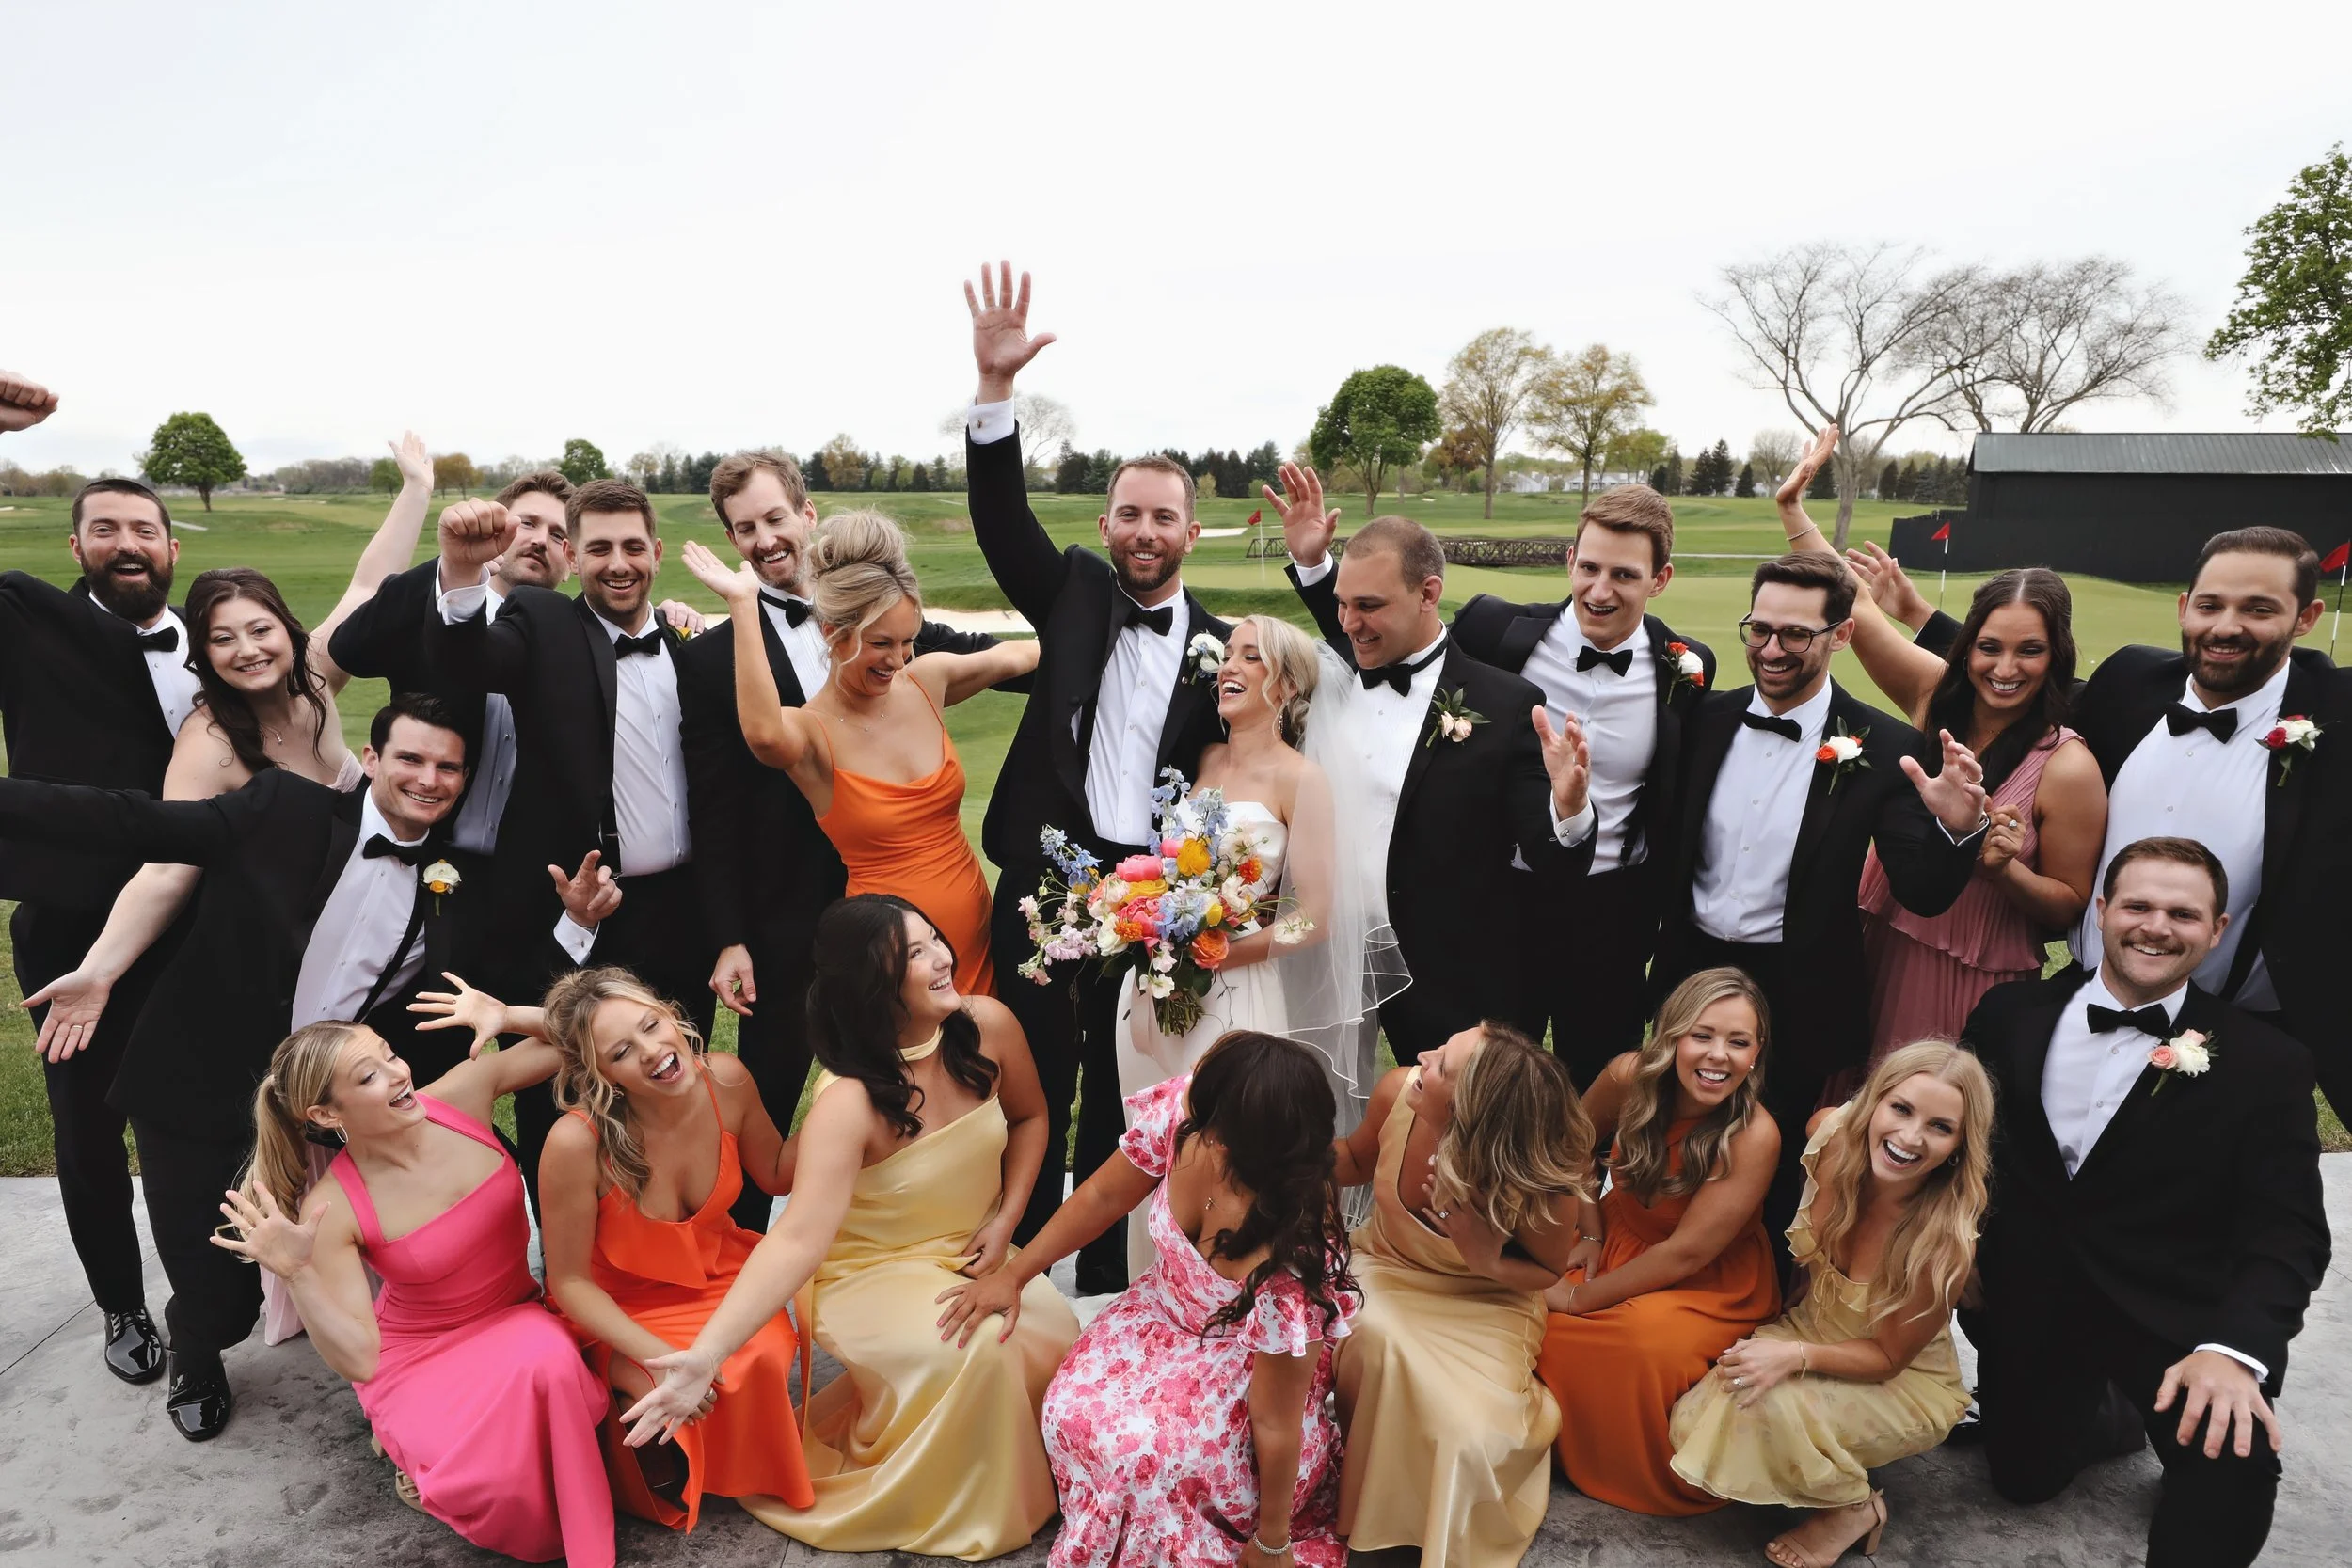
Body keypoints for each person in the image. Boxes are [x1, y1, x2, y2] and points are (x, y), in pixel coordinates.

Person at [0, 694, 547, 1439]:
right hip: (199, 1080)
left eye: (447, 766)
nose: (428, 777)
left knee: (403, 1216)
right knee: (220, 1288)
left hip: (319, 1105)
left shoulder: (453, 876)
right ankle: (196, 1346)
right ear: (373, 761)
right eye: (411, 758)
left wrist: (577, 922)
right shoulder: (283, 809)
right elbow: (137, 820)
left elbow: (474, 984)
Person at [612, 894, 1079, 1558]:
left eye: (934, 939)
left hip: (971, 1247)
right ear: (874, 985)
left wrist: (1006, 1221)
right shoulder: (849, 1101)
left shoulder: (989, 1023)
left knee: (1051, 1327)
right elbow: (797, 1239)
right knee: (980, 1352)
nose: (943, 958)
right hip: (868, 1270)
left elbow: (1033, 1119)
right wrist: (704, 1357)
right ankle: (959, 1495)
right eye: (914, 954)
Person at [960, 261, 1232, 1292]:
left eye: (1164, 517)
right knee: (1031, 1074)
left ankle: (1118, 1279)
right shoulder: (1070, 589)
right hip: (1043, 879)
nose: (1145, 532)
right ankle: (1017, 1271)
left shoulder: (1219, 646)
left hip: (1157, 895)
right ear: (1108, 520)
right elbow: (1001, 523)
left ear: (1190, 533)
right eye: (1129, 513)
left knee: (1132, 1091)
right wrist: (995, 395)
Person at [30, 437, 444, 1096]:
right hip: (289, 945)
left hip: (377, 918)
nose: (248, 650)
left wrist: (417, 487)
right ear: (202, 652)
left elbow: (369, 584)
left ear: (287, 629)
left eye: (260, 630)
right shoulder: (210, 744)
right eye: (222, 638)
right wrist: (100, 969)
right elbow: (167, 867)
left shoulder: (314, 676)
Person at [1959, 837, 2330, 1568]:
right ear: (2101, 910)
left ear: (2217, 929)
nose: (2155, 925)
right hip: (2030, 1302)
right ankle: (2112, 1415)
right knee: (2021, 1481)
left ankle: (2153, 1400)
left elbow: (2289, 1233)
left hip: (2174, 1316)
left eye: (2182, 912)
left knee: (2234, 1460)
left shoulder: (2267, 1062)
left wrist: (2234, 1353)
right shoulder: (2011, 1013)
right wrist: (1958, 1243)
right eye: (2137, 904)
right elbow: (1958, 1147)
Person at [679, 450, 1012, 1227]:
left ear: (807, 513)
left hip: (935, 921)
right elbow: (715, 807)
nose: (762, 539)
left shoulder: (899, 632)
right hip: (790, 912)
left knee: (944, 1091)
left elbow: (975, 655)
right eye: (743, 528)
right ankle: (746, 1254)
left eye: (772, 518)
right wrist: (729, 936)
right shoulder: (709, 656)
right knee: (790, 1086)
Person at [1649, 552, 1990, 1261]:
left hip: (1798, 992)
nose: (1772, 649)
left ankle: (1759, 1297)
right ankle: (1661, 1265)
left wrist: (1958, 827)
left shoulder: (1887, 745)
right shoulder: (1699, 720)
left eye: (1795, 634)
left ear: (1841, 634)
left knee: (1774, 1166)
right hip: (1689, 974)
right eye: (1760, 629)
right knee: (1674, 1141)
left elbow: (1923, 891)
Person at [940, 1031, 1359, 1568]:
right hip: (1154, 1319)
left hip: (1247, 1371)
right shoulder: (1185, 1115)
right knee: (1070, 1413)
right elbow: (1102, 1194)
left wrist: (1273, 1539)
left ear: (1226, 1141)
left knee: (1150, 1459)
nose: (1188, 1093)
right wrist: (1015, 1275)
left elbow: (1277, 1421)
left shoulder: (1294, 1258)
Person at [210, 1013, 614, 1567]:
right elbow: (358, 1356)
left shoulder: (460, 1096)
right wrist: (297, 1274)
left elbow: (589, 1034)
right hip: (420, 1357)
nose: (398, 1074)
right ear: (327, 1114)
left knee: (545, 1360)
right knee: (503, 1491)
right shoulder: (332, 1207)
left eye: (389, 1055)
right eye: (368, 1076)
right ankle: (411, 1448)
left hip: (519, 1317)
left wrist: (511, 1017)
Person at [423, 478, 719, 1209]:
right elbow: (468, 666)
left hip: (684, 910)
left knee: (680, 1081)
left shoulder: (687, 641)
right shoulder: (541, 620)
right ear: (571, 553)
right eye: (597, 549)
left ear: (655, 550)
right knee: (564, 1093)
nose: (617, 563)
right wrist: (462, 577)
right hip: (585, 908)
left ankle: (679, 1235)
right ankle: (568, 1266)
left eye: (631, 547)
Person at [1775, 426, 2105, 1070]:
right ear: (1967, 647)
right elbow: (1857, 608)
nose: (2005, 667)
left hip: (1971, 976)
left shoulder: (2066, 765)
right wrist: (1793, 512)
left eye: (2029, 650)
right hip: (1875, 940)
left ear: (2056, 656)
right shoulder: (1935, 697)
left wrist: (2002, 866)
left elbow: (2070, 901)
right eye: (1990, 646)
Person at [1108, 611, 1401, 1275]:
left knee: (1220, 1158)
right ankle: (1146, 1309)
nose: (1231, 668)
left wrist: (1230, 949)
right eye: (1229, 655)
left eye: (1253, 658)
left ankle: (1217, 1314)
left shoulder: (1302, 779)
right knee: (1147, 1152)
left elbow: (1318, 917)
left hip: (1232, 994)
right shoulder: (1201, 760)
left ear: (1290, 686)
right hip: (1154, 987)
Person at [1274, 467, 1598, 1059]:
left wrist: (1570, 809)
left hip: (1446, 969)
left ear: (1429, 594)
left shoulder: (1505, 704)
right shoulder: (1340, 667)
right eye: (1342, 605)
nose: (1349, 624)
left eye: (1368, 606)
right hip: (1328, 951)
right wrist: (1315, 566)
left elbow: (1553, 860)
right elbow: (1345, 622)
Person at [0, 471, 199, 1389]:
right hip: (72, 928)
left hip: (199, 923)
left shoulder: (214, 639)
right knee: (88, 1131)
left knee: (200, 1124)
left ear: (172, 547)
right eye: (106, 529)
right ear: (74, 548)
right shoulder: (27, 622)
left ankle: (212, 1303)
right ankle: (122, 1302)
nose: (128, 543)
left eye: (145, 529)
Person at [675, 512, 1038, 997]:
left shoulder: (927, 680)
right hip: (888, 958)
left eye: (908, 641)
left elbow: (1021, 656)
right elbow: (761, 732)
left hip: (975, 936)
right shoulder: (809, 733)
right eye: (881, 643)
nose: (899, 659)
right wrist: (743, 605)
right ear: (831, 631)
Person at [1669, 1040, 1991, 1567]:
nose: (1909, 1138)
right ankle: (1813, 1453)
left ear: (1959, 1145)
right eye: (1901, 1109)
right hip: (1810, 1327)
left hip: (1897, 1379)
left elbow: (1889, 1358)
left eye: (1940, 1127)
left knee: (1765, 1407)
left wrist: (1793, 1357)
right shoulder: (1834, 1134)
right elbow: (1819, 1121)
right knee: (1699, 1412)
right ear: (1873, 1104)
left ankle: (1853, 1508)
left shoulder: (1943, 1242)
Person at [527, 965, 813, 1535]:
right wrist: (659, 1361)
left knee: (756, 1356)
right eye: (622, 1051)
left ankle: (730, 1460)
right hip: (620, 1304)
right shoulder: (574, 1143)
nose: (654, 1051)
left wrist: (847, 1090)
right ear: (600, 1073)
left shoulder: (727, 1080)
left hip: (718, 1276)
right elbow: (569, 1282)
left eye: (652, 1026)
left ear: (671, 1013)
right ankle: (651, 1458)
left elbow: (779, 1174)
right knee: (669, 1392)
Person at [1450, 482, 1717, 1084]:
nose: (1601, 590)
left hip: (1612, 914)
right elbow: (1391, 655)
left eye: (1624, 575)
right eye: (1589, 567)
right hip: (1503, 902)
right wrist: (1314, 566)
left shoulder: (1688, 666)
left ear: (1660, 579)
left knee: (1598, 1084)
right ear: (1570, 561)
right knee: (1488, 1085)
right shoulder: (1495, 632)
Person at [1330, 1022, 1597, 1567]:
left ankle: (1432, 1530)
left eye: (1441, 1065)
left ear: (1473, 1112)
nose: (1421, 1058)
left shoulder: (1541, 1174)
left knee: (1468, 1433)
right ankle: (1364, 1515)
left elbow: (1546, 1271)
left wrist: (1488, 1258)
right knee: (1379, 1340)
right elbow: (1356, 1161)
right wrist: (1267, 1149)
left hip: (1490, 1301)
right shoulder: (1398, 1093)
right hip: (1387, 1269)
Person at [1537, 966, 1782, 1515]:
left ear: (1756, 1052)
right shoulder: (1628, 1076)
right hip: (1618, 1235)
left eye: (1737, 1042)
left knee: (1640, 1348)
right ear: (1670, 1036)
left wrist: (1579, 1300)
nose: (1718, 1056)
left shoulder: (1755, 1134)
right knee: (1525, 1310)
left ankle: (1610, 1464)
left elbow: (1687, 1252)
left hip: (1707, 1281)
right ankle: (1542, 1442)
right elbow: (1571, 1142)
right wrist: (1591, 1230)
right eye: (1702, 1036)